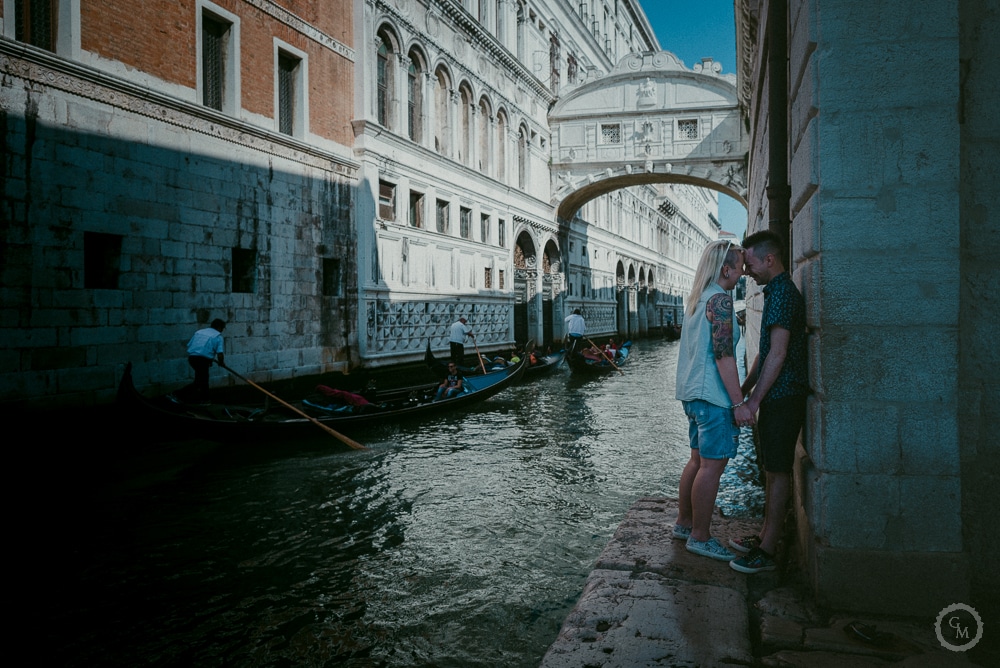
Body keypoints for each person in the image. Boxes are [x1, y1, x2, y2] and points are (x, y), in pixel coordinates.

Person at [729, 231, 808, 574]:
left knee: (777, 473)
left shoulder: (783, 294)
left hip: (783, 395)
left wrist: (753, 401)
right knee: (771, 469)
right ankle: (764, 537)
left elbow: (778, 353)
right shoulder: (777, 292)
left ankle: (769, 549)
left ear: (769, 259)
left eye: (750, 263)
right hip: (777, 394)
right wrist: (746, 389)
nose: (747, 271)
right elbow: (763, 352)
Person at [673, 240, 754, 561]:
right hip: (713, 398)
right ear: (726, 269)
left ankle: (684, 523)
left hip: (692, 396)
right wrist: (740, 404)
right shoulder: (720, 302)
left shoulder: (696, 299)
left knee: (697, 461)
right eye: (740, 267)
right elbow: (724, 357)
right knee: (713, 466)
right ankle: (700, 536)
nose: (743, 273)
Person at [174, 319, 226, 404]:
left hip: (192, 358)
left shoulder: (199, 332)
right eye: (222, 328)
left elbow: (192, 346)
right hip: (202, 360)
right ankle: (177, 395)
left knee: (201, 380)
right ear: (219, 327)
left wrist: (209, 357)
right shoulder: (218, 336)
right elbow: (220, 354)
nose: (222, 330)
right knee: (202, 381)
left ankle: (203, 399)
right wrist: (221, 362)